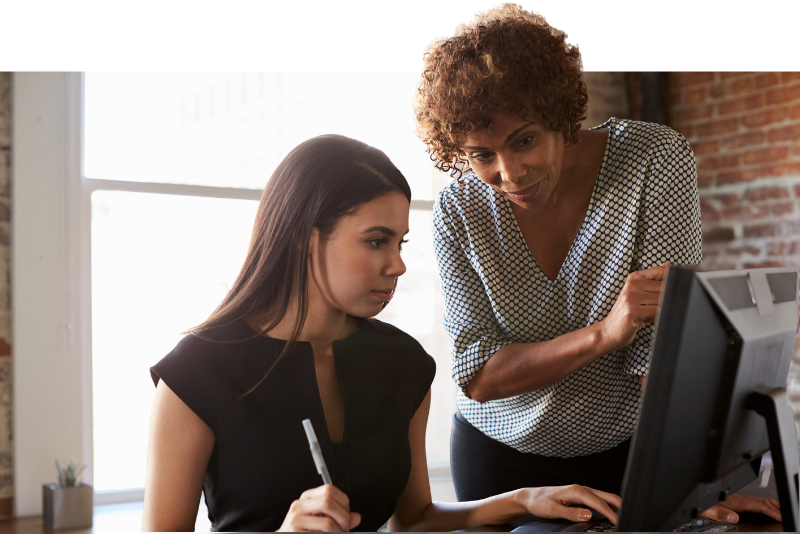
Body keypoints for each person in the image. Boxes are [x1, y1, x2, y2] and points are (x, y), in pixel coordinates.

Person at [413, 2, 782, 525]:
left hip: (628, 454)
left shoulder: (652, 159)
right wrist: (606, 332)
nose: (510, 173)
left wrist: (694, 483)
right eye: (481, 155)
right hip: (499, 460)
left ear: (559, 113)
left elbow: (661, 346)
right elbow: (477, 373)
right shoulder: (460, 210)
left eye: (525, 140)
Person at [141, 134, 623, 532]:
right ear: (306, 239)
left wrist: (524, 499)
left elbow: (413, 520)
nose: (397, 265)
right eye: (376, 241)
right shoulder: (196, 373)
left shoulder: (404, 364)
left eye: (399, 243)